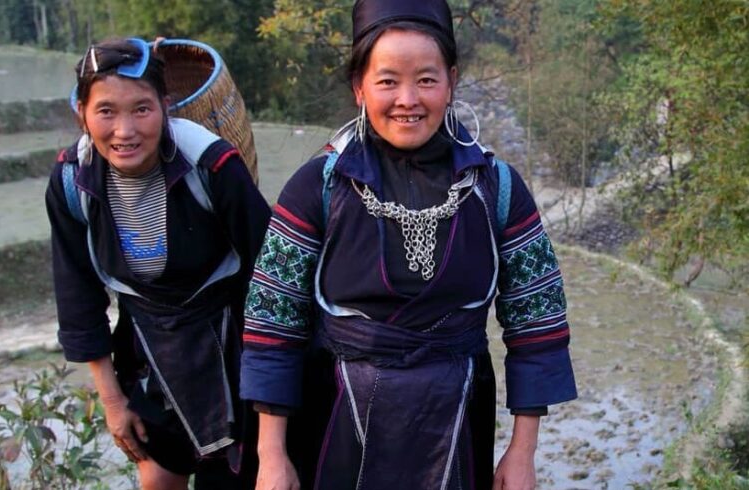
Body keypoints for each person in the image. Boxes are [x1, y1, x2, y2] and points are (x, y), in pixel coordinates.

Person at [240, 1, 577, 489]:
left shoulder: (497, 188)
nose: (407, 99)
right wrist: (272, 455)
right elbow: (273, 323)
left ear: (451, 82)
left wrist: (522, 453)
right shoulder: (317, 187)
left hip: (457, 417)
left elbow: (537, 322)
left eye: (426, 79)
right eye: (387, 81)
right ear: (359, 87)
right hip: (336, 417)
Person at [46, 37, 270, 489]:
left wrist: (274, 402)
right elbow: (78, 295)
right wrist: (112, 400)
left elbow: (272, 278)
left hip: (232, 350)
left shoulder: (212, 164)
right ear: (82, 113)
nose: (125, 131)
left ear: (165, 107)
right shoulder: (73, 180)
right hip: (148, 355)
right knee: (156, 475)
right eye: (106, 111)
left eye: (142, 109)